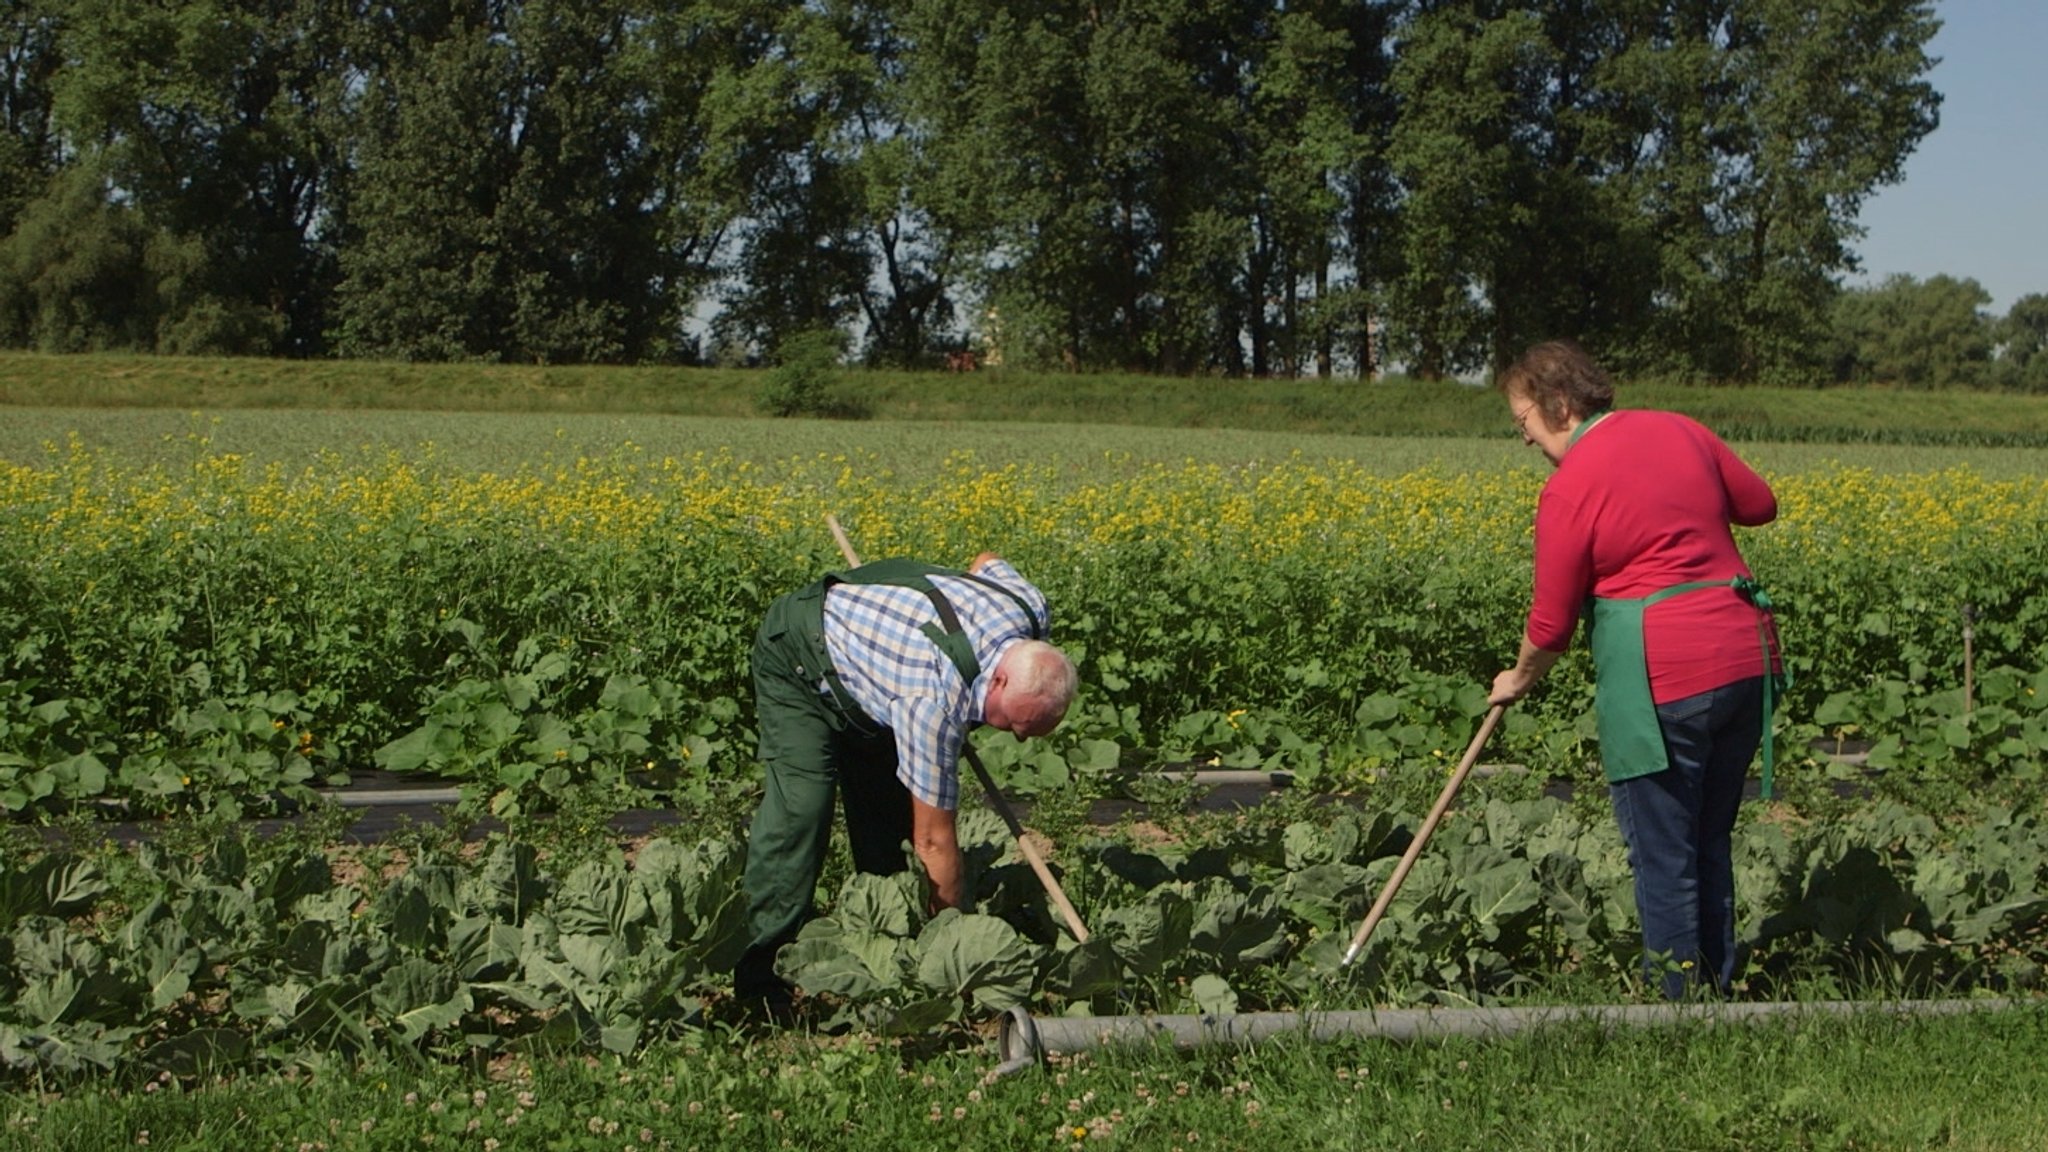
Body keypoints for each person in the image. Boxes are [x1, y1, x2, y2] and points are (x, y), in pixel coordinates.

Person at [1486, 340, 1782, 1000]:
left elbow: (1552, 623)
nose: (1526, 440)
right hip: (1746, 657)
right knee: (1709, 837)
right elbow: (1760, 505)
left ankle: (1676, 1014)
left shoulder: (1570, 487)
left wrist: (1519, 678)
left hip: (1666, 673)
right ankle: (1714, 993)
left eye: (1524, 423)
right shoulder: (1681, 428)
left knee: (1663, 849)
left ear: (1559, 406)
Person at [733, 550, 1078, 1008]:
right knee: (803, 809)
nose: (1015, 740)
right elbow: (934, 840)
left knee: (888, 828)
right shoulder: (930, 701)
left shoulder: (1028, 607)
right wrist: (955, 945)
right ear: (996, 682)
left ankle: (882, 960)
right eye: (1012, 724)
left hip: (879, 675)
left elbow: (986, 561)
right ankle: (758, 975)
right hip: (801, 655)